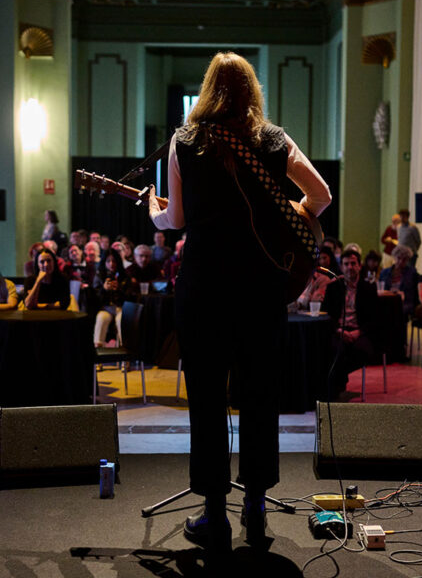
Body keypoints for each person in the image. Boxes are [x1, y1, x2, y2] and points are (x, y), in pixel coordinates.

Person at [147, 51, 330, 553]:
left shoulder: (184, 141)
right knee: (260, 397)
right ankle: (255, 507)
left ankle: (214, 515)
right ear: (252, 90)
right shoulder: (274, 140)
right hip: (260, 290)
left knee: (206, 401)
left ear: (208, 89)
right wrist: (290, 212)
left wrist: (152, 212)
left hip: (204, 290)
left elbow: (176, 220)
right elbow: (321, 197)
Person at [323, 249, 381, 396]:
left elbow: (375, 317)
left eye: (353, 263)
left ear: (359, 266)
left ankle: (339, 381)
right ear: (341, 267)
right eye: (346, 264)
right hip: (338, 330)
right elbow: (326, 314)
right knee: (333, 350)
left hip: (359, 331)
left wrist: (358, 332)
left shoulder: (368, 288)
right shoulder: (333, 287)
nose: (350, 267)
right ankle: (336, 387)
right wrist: (338, 330)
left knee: (363, 351)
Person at [92, 248, 136, 347]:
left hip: (121, 308)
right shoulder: (100, 275)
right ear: (104, 262)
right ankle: (98, 349)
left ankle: (123, 348)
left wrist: (119, 289)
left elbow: (129, 297)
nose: (111, 264)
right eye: (108, 261)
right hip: (106, 308)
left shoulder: (125, 276)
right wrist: (104, 290)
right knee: (101, 318)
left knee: (121, 320)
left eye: (114, 261)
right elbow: (94, 298)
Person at [378, 245, 418, 316]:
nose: (401, 261)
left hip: (404, 302)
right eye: (399, 258)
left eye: (404, 259)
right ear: (394, 257)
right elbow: (380, 289)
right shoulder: (384, 272)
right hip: (387, 300)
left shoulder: (412, 273)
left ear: (407, 260)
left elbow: (413, 293)